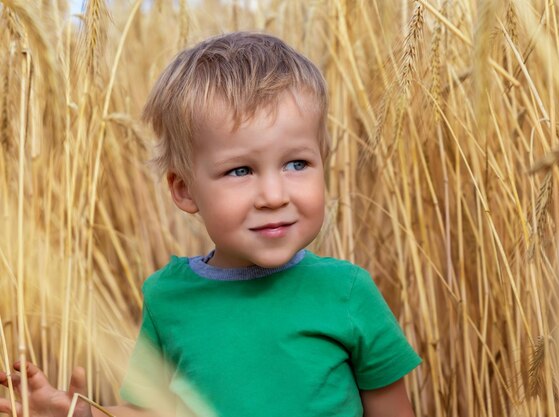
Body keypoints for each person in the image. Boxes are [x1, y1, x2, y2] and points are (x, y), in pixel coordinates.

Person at [0, 32, 421, 417]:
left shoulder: (348, 293)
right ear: (184, 190)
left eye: (297, 163)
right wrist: (81, 413)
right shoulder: (168, 298)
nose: (274, 195)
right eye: (240, 171)